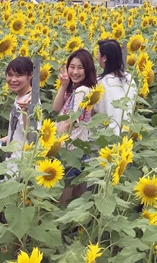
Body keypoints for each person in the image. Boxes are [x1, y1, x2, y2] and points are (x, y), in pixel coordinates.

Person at [52, 48, 98, 205]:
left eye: (80, 67)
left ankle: (62, 223)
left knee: (64, 190)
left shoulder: (83, 91)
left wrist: (51, 142)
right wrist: (63, 85)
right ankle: (74, 226)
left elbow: (69, 121)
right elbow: (56, 108)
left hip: (69, 146)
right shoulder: (75, 89)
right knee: (75, 188)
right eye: (72, 66)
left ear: (88, 69)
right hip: (77, 146)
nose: (75, 71)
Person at [0, 57, 36, 166]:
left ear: (30, 76)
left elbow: (32, 138)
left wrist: (27, 111)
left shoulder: (31, 102)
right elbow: (17, 131)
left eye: (19, 75)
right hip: (12, 162)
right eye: (10, 75)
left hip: (22, 166)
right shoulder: (20, 98)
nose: (13, 79)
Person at [94, 39, 137, 135]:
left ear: (104, 58)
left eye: (98, 53)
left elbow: (95, 110)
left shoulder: (101, 82)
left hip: (106, 136)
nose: (97, 57)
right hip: (127, 135)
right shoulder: (130, 79)